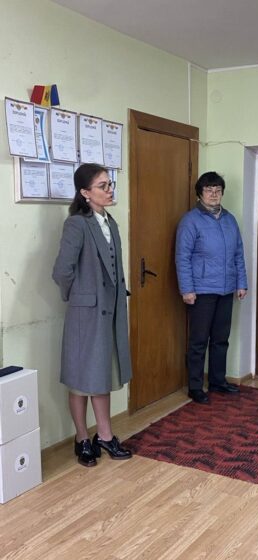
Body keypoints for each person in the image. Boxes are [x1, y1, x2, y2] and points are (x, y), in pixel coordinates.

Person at [53, 163, 132, 467]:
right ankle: (82, 437)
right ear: (85, 193)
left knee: (102, 375)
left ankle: (106, 435)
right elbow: (62, 271)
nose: (109, 190)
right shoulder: (77, 224)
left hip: (110, 312)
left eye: (110, 184)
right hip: (85, 314)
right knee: (80, 379)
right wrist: (79, 298)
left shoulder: (110, 222)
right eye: (103, 186)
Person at [175, 171, 247, 404]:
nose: (214, 194)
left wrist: (241, 283)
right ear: (200, 193)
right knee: (198, 341)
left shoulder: (230, 219)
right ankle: (195, 387)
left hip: (226, 289)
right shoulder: (190, 221)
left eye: (218, 190)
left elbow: (238, 254)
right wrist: (187, 289)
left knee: (220, 339)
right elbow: (182, 257)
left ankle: (217, 381)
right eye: (209, 190)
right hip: (202, 290)